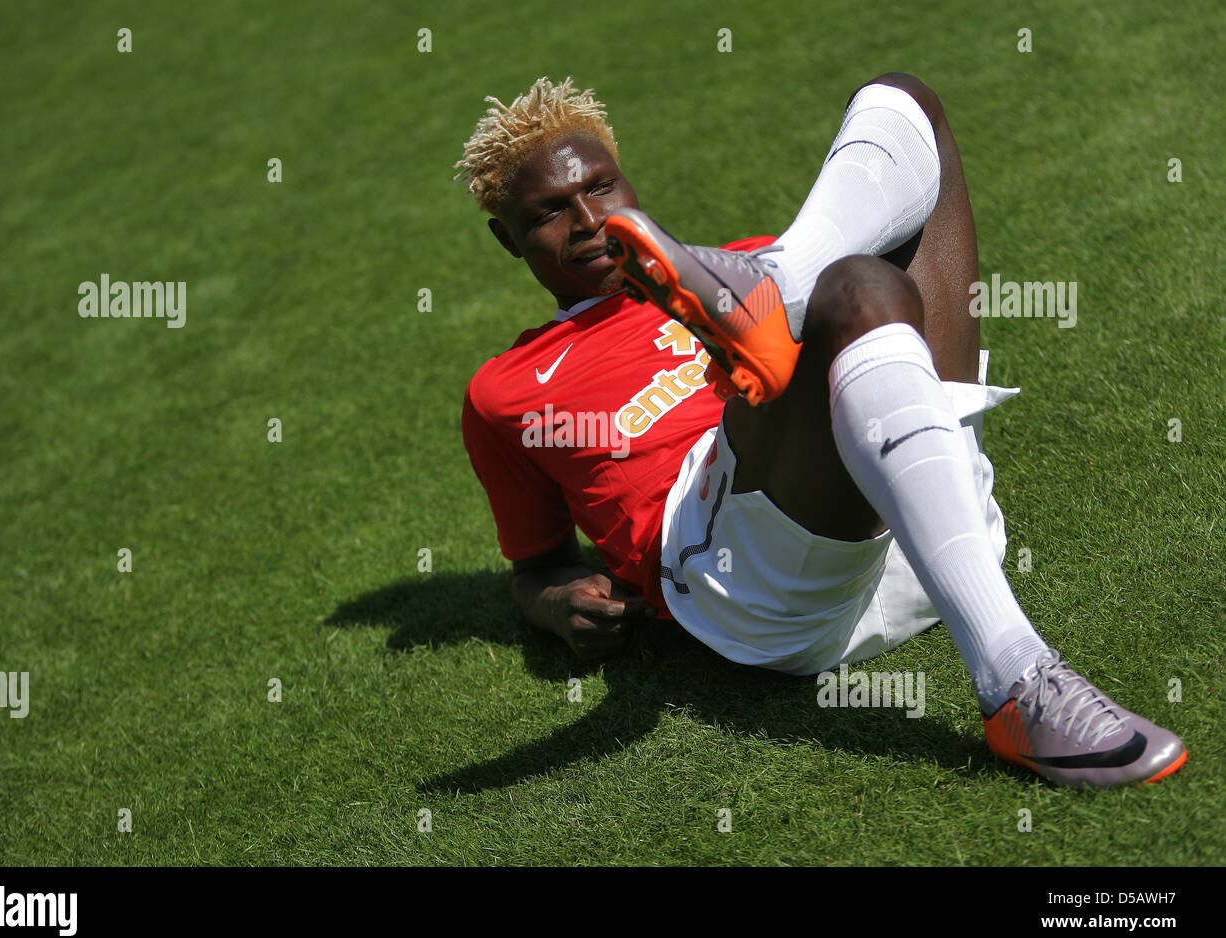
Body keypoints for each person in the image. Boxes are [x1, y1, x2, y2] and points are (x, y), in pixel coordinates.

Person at [455, 75, 1186, 788]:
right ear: (505, 238)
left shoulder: (720, 265)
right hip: (755, 590)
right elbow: (537, 566)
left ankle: (779, 283)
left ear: (627, 183)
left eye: (600, 187)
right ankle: (1020, 680)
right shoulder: (508, 390)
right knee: (854, 285)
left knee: (909, 109)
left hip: (922, 524)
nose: (585, 220)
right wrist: (552, 604)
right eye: (551, 211)